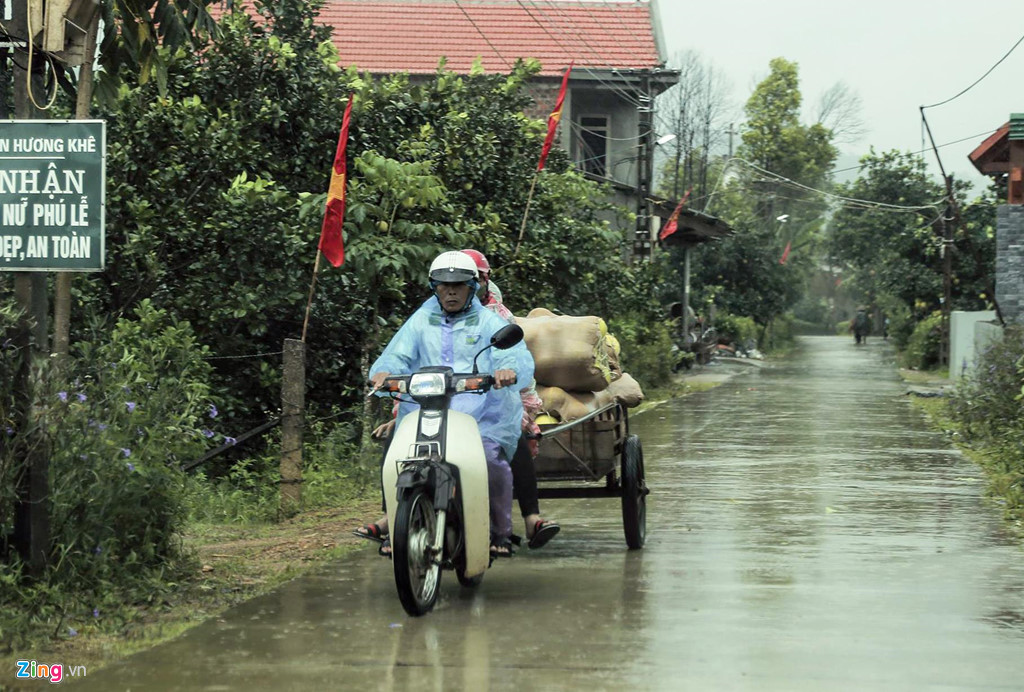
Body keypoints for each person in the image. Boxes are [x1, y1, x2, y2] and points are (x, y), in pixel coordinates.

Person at [363, 250, 534, 557]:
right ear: (434, 287)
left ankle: (499, 533)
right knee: (397, 452)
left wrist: (507, 370)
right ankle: (397, 522)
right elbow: (396, 352)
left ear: (473, 287)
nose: (450, 290)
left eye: (458, 284)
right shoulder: (420, 320)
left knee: (489, 460)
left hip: (482, 411)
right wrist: (383, 371)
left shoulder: (489, 321)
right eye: (443, 285)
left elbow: (513, 355)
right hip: (425, 406)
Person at [462, 249, 560, 549]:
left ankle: (531, 518)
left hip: (492, 396)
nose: (459, 288)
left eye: (469, 280)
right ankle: (396, 516)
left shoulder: (498, 316)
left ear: (483, 280)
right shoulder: (433, 315)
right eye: (449, 283)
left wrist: (521, 397)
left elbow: (517, 358)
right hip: (450, 395)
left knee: (514, 433)